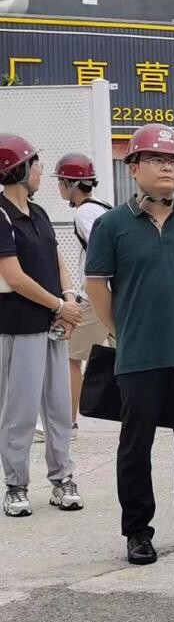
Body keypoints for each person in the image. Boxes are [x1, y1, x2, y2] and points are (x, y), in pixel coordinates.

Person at [83, 124, 174, 564]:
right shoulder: (111, 225)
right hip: (138, 354)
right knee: (136, 444)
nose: (168, 167)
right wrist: (122, 329)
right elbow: (96, 285)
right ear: (133, 168)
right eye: (157, 159)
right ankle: (138, 531)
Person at [0, 135, 82, 517]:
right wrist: (59, 306)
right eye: (35, 164)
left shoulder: (39, 213)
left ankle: (63, 479)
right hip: (19, 327)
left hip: (52, 324)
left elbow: (56, 259)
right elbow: (14, 277)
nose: (40, 171)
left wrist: (69, 297)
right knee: (19, 412)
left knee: (59, 409)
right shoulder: (2, 217)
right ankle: (15, 486)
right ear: (17, 169)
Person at [54, 153, 112, 429]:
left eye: (60, 182)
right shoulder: (103, 207)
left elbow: (104, 250)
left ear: (71, 184)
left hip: (95, 298)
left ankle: (67, 424)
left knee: (70, 357)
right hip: (115, 296)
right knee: (124, 357)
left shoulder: (84, 213)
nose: (59, 187)